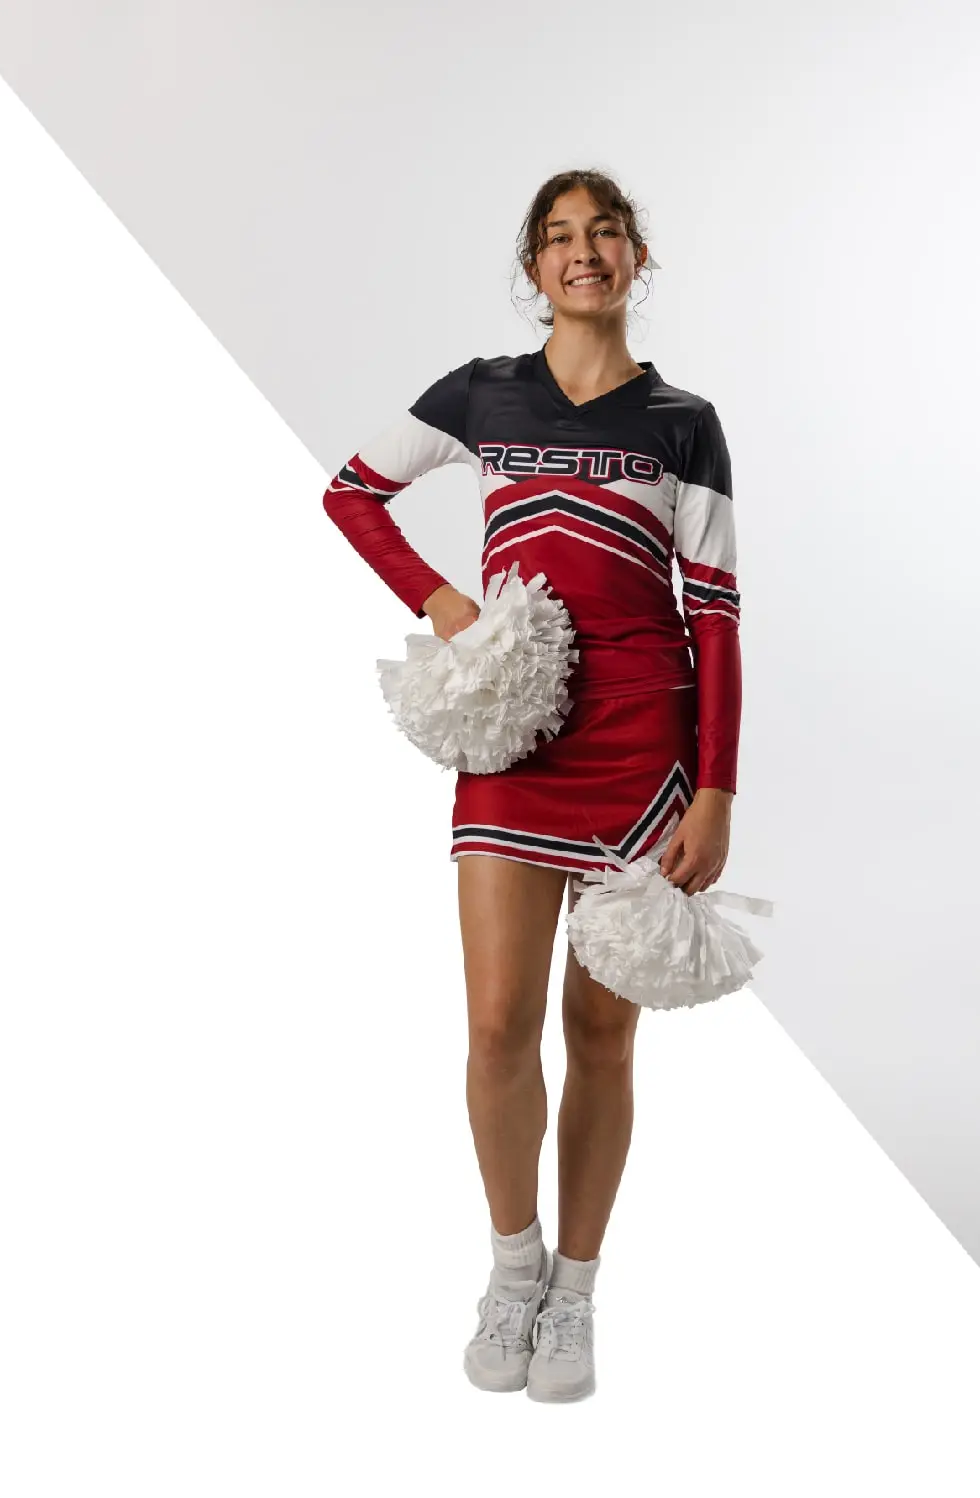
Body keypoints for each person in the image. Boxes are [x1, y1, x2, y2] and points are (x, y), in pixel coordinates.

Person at [323, 172, 742, 1403]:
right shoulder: (482, 392)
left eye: (603, 233)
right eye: (558, 239)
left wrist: (714, 788)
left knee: (600, 1032)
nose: (583, 254)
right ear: (534, 265)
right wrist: (449, 606)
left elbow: (714, 615)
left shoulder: (685, 421)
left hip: (645, 747)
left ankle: (579, 1292)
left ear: (637, 254)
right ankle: (512, 1275)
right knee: (499, 1024)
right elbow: (352, 493)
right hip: (516, 740)